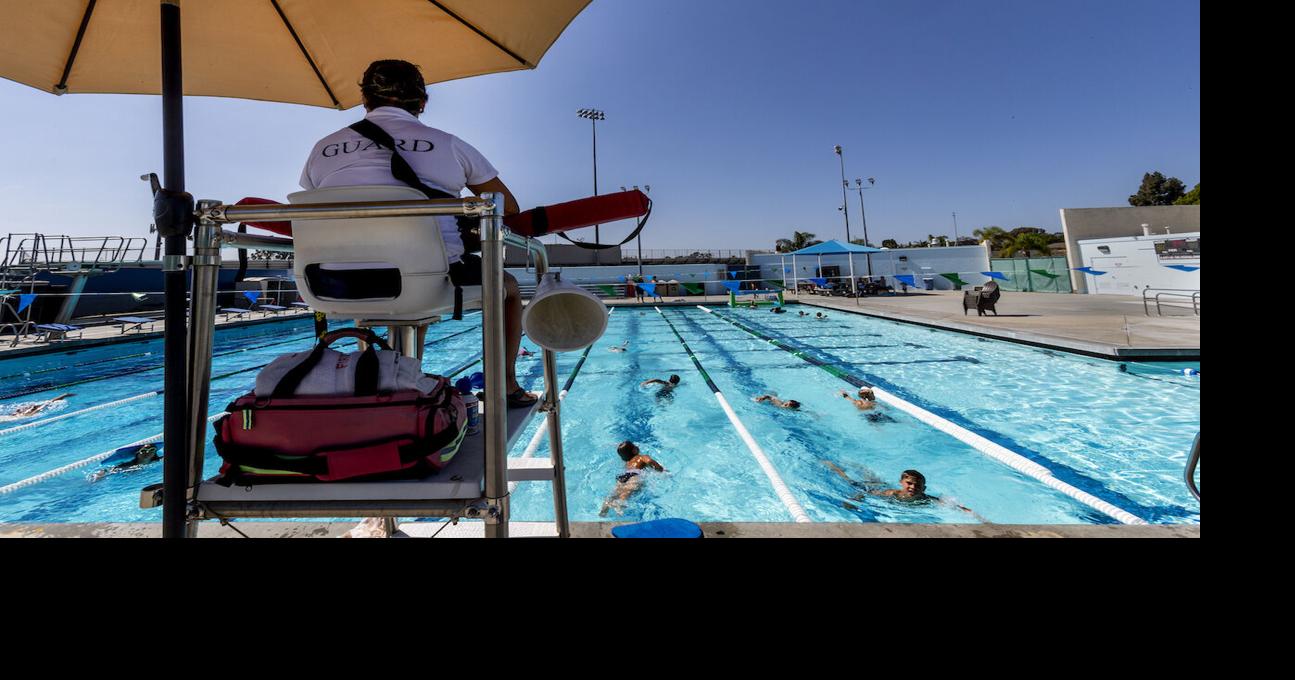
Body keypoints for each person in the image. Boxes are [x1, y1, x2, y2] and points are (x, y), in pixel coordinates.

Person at [299, 59, 535, 407]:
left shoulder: (324, 148)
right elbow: (506, 205)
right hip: (424, 279)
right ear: (422, 102)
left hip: (331, 284)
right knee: (507, 287)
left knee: (397, 277)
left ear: (364, 100)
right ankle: (506, 385)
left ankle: (387, 385)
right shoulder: (448, 144)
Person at [822, 462, 985, 520]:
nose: (913, 487)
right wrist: (853, 501)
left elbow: (954, 506)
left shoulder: (927, 499)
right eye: (909, 483)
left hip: (881, 487)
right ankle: (835, 467)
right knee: (850, 481)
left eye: (917, 485)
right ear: (901, 483)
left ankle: (863, 470)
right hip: (876, 488)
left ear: (923, 488)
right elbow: (866, 493)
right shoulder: (893, 494)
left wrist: (974, 514)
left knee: (873, 478)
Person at [599, 440, 666, 516]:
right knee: (627, 492)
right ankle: (619, 504)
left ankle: (603, 511)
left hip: (623, 476)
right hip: (634, 474)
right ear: (634, 450)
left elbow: (623, 450)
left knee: (614, 493)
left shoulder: (628, 463)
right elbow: (650, 461)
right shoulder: (641, 457)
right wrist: (661, 469)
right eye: (635, 446)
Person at [89, 443, 161, 482]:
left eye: (152, 450)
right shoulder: (129, 465)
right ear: (137, 454)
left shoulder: (159, 461)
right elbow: (108, 470)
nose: (147, 452)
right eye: (143, 451)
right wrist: (100, 474)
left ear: (155, 452)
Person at [0, 393, 73, 422]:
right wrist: (64, 396)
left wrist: (63, 396)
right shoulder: (27, 414)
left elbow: (47, 404)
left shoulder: (22, 414)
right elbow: (47, 404)